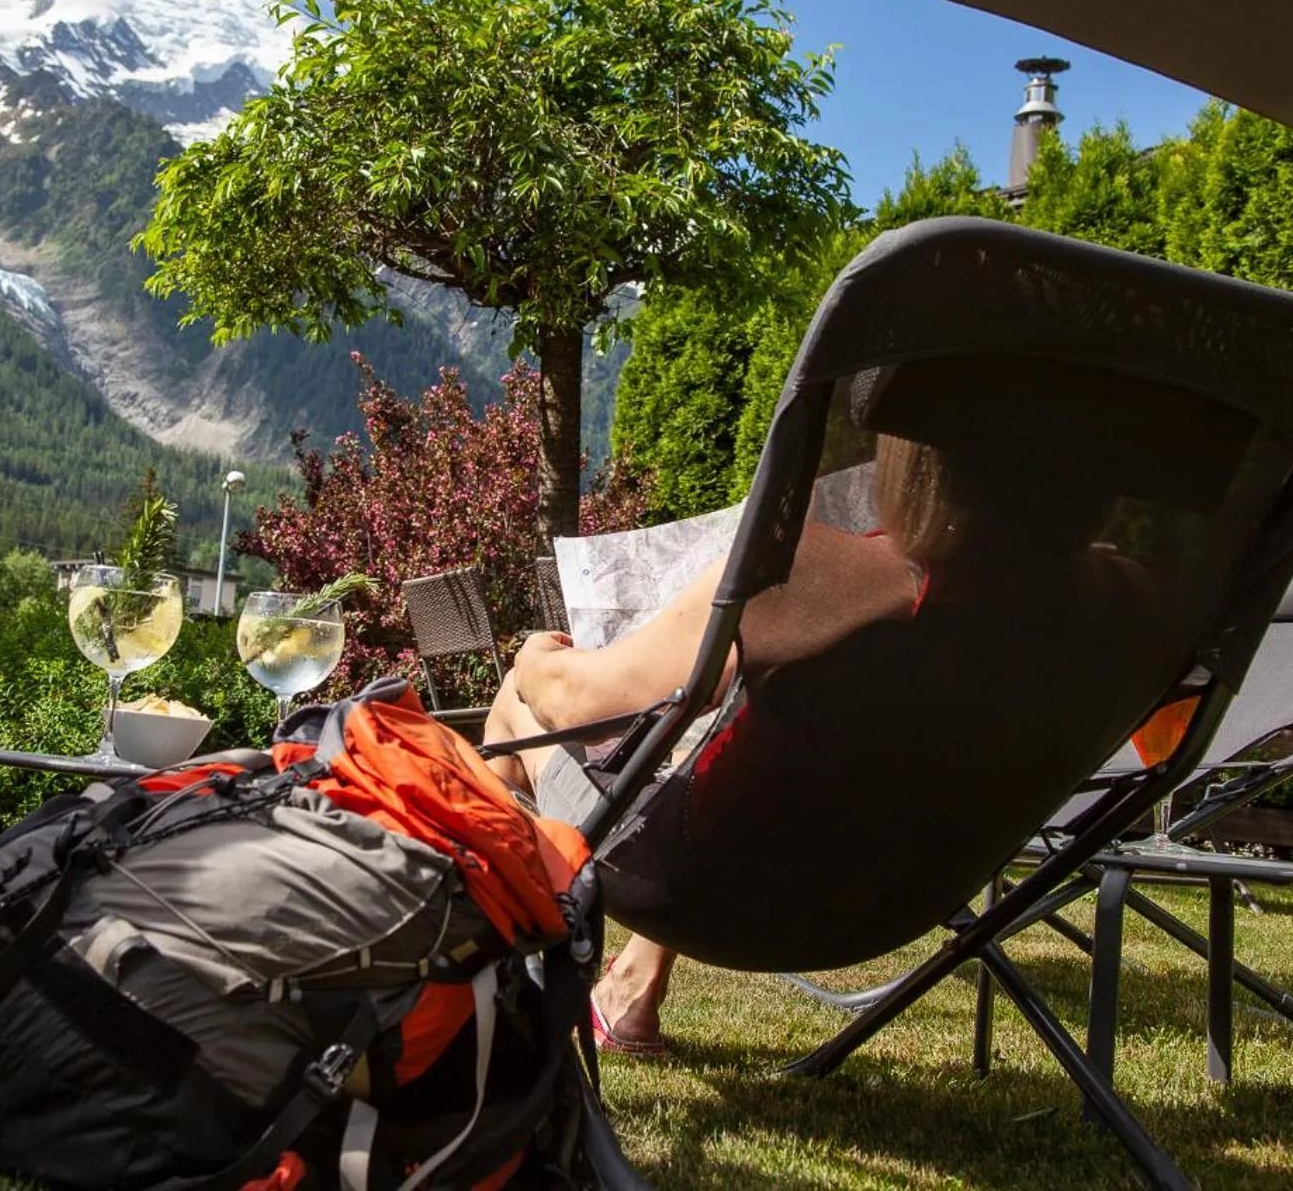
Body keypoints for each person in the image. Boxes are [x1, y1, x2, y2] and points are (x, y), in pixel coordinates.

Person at [484, 424, 1140, 1055]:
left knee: (516, 707)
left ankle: (473, 998)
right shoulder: (1118, 602)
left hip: (699, 892)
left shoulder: (807, 571)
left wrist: (534, 658)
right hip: (903, 901)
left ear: (911, 465)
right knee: (713, 758)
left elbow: (578, 700)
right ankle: (630, 986)